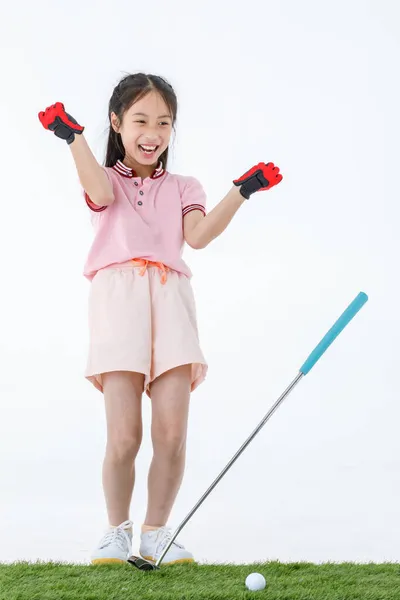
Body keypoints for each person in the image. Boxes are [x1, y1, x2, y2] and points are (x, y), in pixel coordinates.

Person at [38, 72, 283, 566]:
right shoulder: (104, 178)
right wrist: (74, 137)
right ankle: (115, 531)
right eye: (141, 120)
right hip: (118, 299)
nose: (153, 133)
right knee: (124, 436)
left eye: (164, 122)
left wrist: (243, 189)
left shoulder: (185, 185)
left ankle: (155, 534)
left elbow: (198, 235)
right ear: (117, 123)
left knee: (171, 434)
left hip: (171, 299)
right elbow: (101, 196)